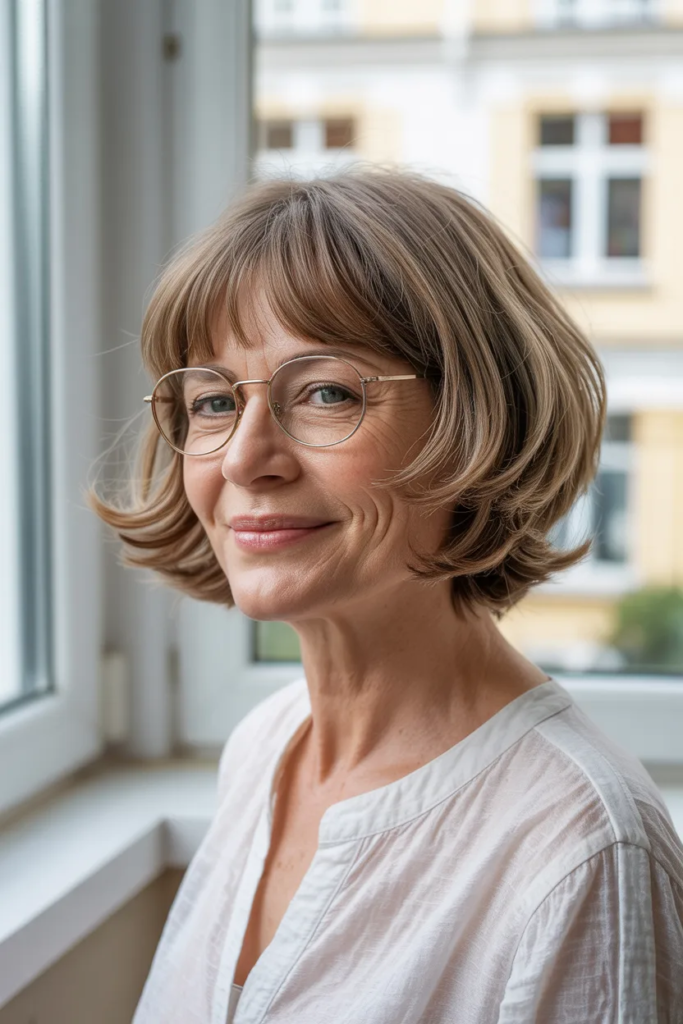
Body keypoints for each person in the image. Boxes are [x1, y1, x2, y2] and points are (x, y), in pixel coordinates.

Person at [92, 169, 683, 1023]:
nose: (244, 458)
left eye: (326, 392)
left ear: (480, 418)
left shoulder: (584, 849)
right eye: (214, 401)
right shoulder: (262, 746)